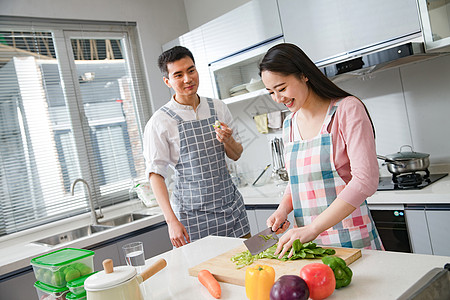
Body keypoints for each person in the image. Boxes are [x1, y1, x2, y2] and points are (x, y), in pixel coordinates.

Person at [259, 43, 384, 258]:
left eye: (281, 88)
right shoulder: (289, 124)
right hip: (308, 245)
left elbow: (365, 180)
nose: (278, 99)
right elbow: (296, 181)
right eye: (271, 92)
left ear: (304, 75)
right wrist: (282, 210)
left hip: (351, 241)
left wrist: (313, 228)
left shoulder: (347, 109)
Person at [143, 46, 250, 248]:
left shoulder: (218, 107)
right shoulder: (160, 122)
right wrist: (171, 220)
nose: (187, 79)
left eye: (191, 70)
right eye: (178, 75)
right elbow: (155, 174)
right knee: (205, 275)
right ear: (167, 81)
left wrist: (227, 140)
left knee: (248, 267)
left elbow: (236, 155)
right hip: (192, 217)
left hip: (231, 208)